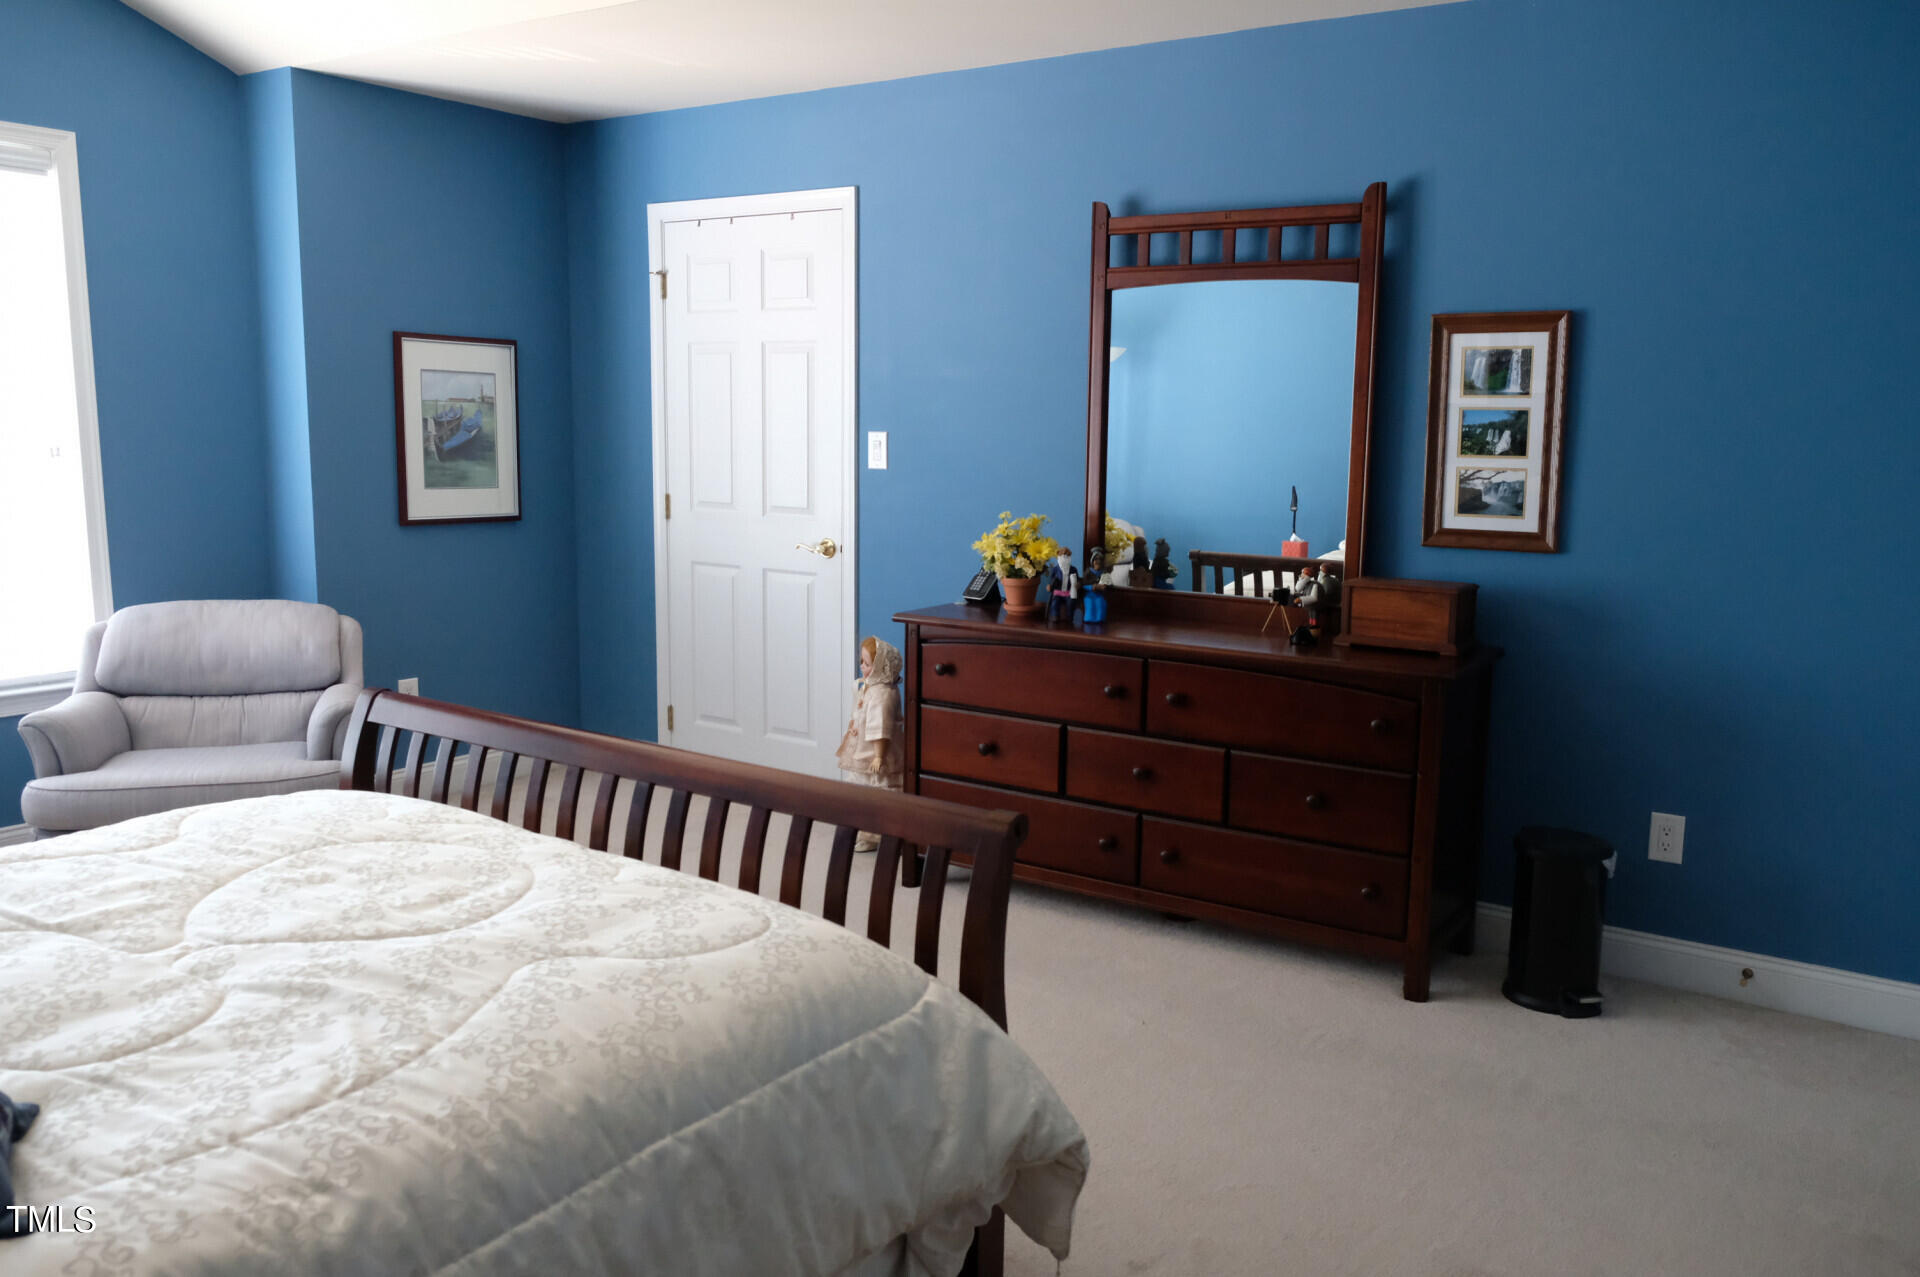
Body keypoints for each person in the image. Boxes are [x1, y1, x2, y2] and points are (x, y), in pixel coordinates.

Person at [834, 636, 904, 851]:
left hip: (874, 754)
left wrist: (878, 756)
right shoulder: (873, 688)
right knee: (863, 791)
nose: (861, 666)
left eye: (866, 663)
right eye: (861, 662)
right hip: (865, 750)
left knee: (878, 791)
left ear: (881, 667)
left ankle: (878, 834)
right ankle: (866, 830)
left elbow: (879, 729)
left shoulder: (882, 696)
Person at [1045, 546, 1079, 622]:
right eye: (1063, 556)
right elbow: (1051, 579)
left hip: (1069, 592)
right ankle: (1055, 616)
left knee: (1071, 602)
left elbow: (1078, 580)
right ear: (1059, 557)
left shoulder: (1073, 569)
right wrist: (1049, 586)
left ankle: (1070, 617)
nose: (1065, 558)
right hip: (1058, 591)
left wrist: (1077, 585)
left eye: (1067, 556)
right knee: (1055, 602)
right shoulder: (1055, 569)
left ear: (1069, 558)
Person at [1082, 547, 1109, 623]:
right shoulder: (1088, 572)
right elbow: (1083, 584)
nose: (1098, 561)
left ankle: (1099, 619)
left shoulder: (1104, 572)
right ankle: (1089, 619)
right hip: (1089, 594)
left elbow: (1106, 584)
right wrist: (1091, 587)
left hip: (1099, 594)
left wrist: (1103, 586)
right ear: (1092, 561)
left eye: (1100, 559)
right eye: (1096, 559)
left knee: (1100, 603)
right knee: (1090, 603)